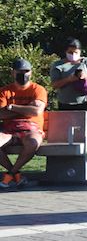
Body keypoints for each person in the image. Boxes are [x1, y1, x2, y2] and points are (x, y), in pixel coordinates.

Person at [0, 59, 47, 191]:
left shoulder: (38, 89)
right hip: (8, 130)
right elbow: (0, 115)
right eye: (20, 72)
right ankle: (16, 175)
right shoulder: (4, 91)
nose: (23, 74)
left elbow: (37, 110)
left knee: (33, 142)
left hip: (31, 128)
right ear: (12, 73)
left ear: (31, 73)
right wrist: (26, 109)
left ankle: (10, 174)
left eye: (26, 71)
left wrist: (11, 107)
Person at [50, 38, 87, 112]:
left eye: (76, 52)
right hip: (65, 103)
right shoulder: (58, 65)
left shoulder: (86, 62)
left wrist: (85, 76)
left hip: (84, 102)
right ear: (65, 51)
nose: (73, 54)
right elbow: (54, 85)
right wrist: (69, 79)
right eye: (70, 52)